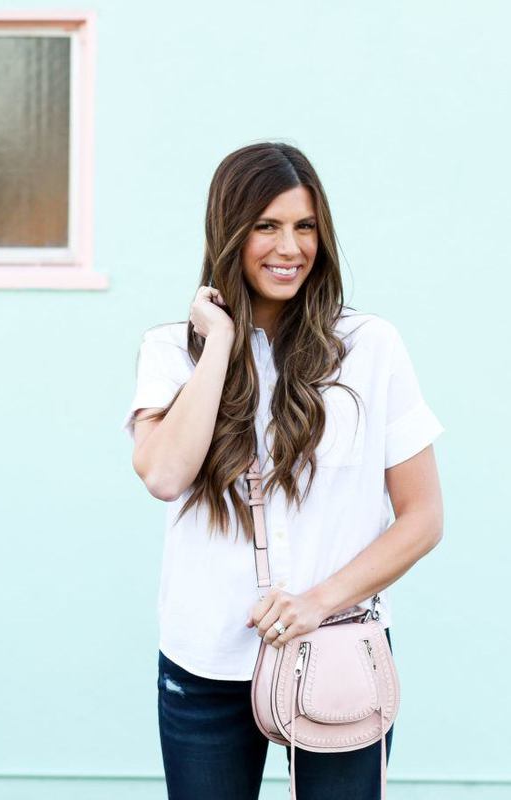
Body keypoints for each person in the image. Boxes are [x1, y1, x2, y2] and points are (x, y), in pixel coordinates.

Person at [121, 141, 445, 800]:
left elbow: (423, 517)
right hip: (205, 662)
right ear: (230, 233)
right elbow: (163, 474)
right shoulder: (169, 351)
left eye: (304, 226)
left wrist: (318, 604)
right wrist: (220, 347)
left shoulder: (370, 347)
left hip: (334, 656)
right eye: (266, 226)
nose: (289, 247)